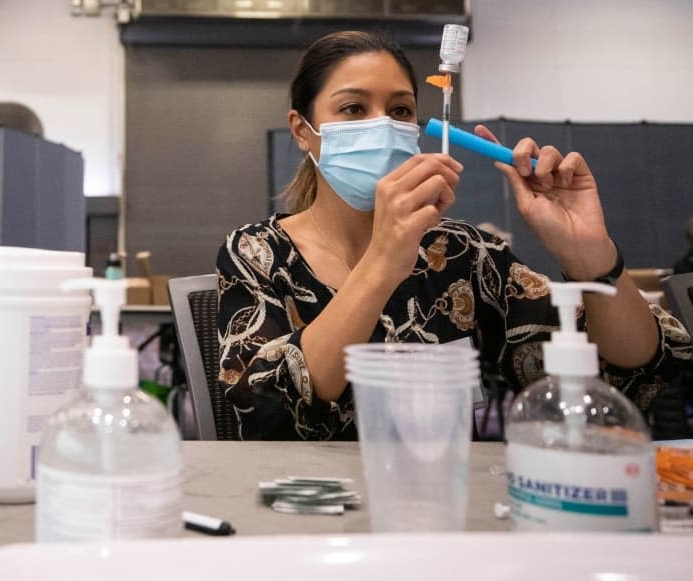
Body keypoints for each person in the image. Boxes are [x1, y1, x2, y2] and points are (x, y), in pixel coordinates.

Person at [217, 30, 692, 440]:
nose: (382, 125)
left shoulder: (461, 254)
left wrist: (591, 256)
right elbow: (263, 413)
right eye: (354, 108)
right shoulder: (257, 253)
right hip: (302, 515)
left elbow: (633, 374)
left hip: (441, 508)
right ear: (302, 130)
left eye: (400, 110)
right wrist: (382, 263)